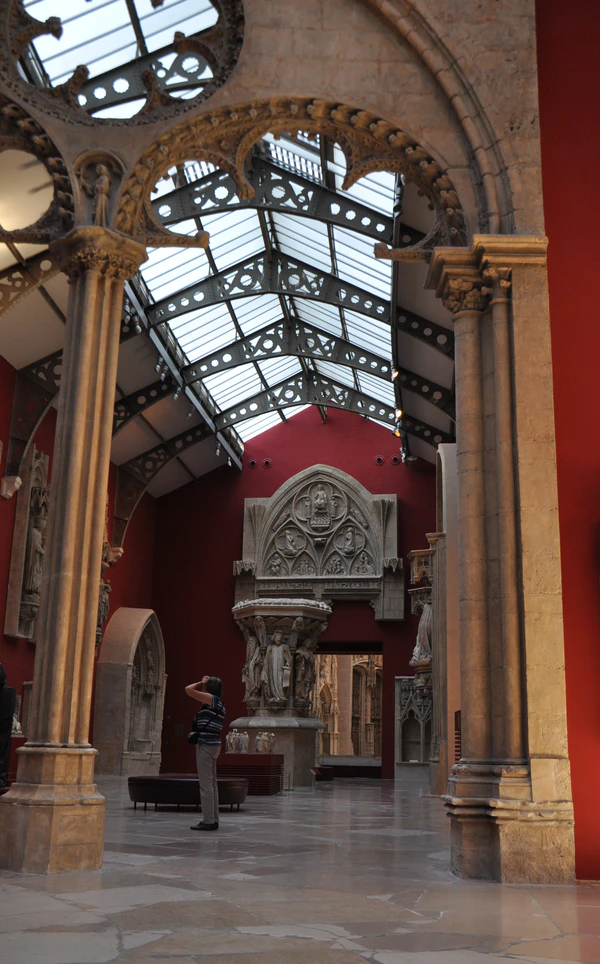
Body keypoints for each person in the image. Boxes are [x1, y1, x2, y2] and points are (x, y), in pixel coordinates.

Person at [184, 675, 225, 832]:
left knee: (205, 784)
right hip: (214, 744)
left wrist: (201, 682)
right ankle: (214, 819)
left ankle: (208, 820)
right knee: (212, 783)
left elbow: (188, 690)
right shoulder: (218, 704)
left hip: (206, 745)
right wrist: (204, 684)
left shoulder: (212, 700)